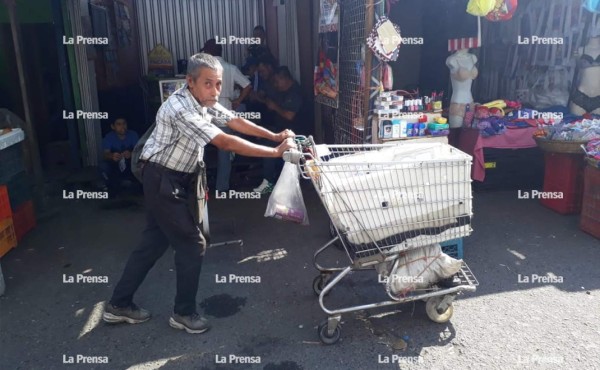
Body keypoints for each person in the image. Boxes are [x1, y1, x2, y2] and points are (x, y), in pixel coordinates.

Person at [102, 53, 295, 334]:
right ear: (189, 82)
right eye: (208, 84)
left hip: (174, 179)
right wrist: (275, 152)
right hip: (162, 179)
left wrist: (275, 136)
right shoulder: (181, 108)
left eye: (218, 84)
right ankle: (183, 313)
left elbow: (235, 121)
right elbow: (225, 141)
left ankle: (118, 305)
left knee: (152, 244)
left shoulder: (205, 101)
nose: (215, 91)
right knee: (193, 244)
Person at [200, 38, 253, 192]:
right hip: (224, 114)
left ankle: (200, 187)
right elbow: (248, 85)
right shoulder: (231, 68)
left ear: (209, 52)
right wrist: (238, 100)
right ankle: (221, 188)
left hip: (205, 115)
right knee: (224, 154)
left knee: (199, 151)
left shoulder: (202, 70)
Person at [253, 66, 303, 194]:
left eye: (277, 81)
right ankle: (270, 179)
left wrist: (275, 107)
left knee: (269, 147)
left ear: (285, 78)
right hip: (282, 131)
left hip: (296, 134)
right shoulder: (283, 92)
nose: (275, 85)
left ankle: (268, 182)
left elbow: (289, 115)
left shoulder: (295, 93)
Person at [100, 118, 139, 196]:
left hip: (130, 164)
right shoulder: (109, 137)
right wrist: (112, 156)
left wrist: (131, 154)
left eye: (124, 123)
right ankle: (110, 186)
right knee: (103, 166)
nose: (122, 126)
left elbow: (140, 152)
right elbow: (105, 155)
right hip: (115, 165)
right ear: (113, 127)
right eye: (118, 124)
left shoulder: (133, 135)